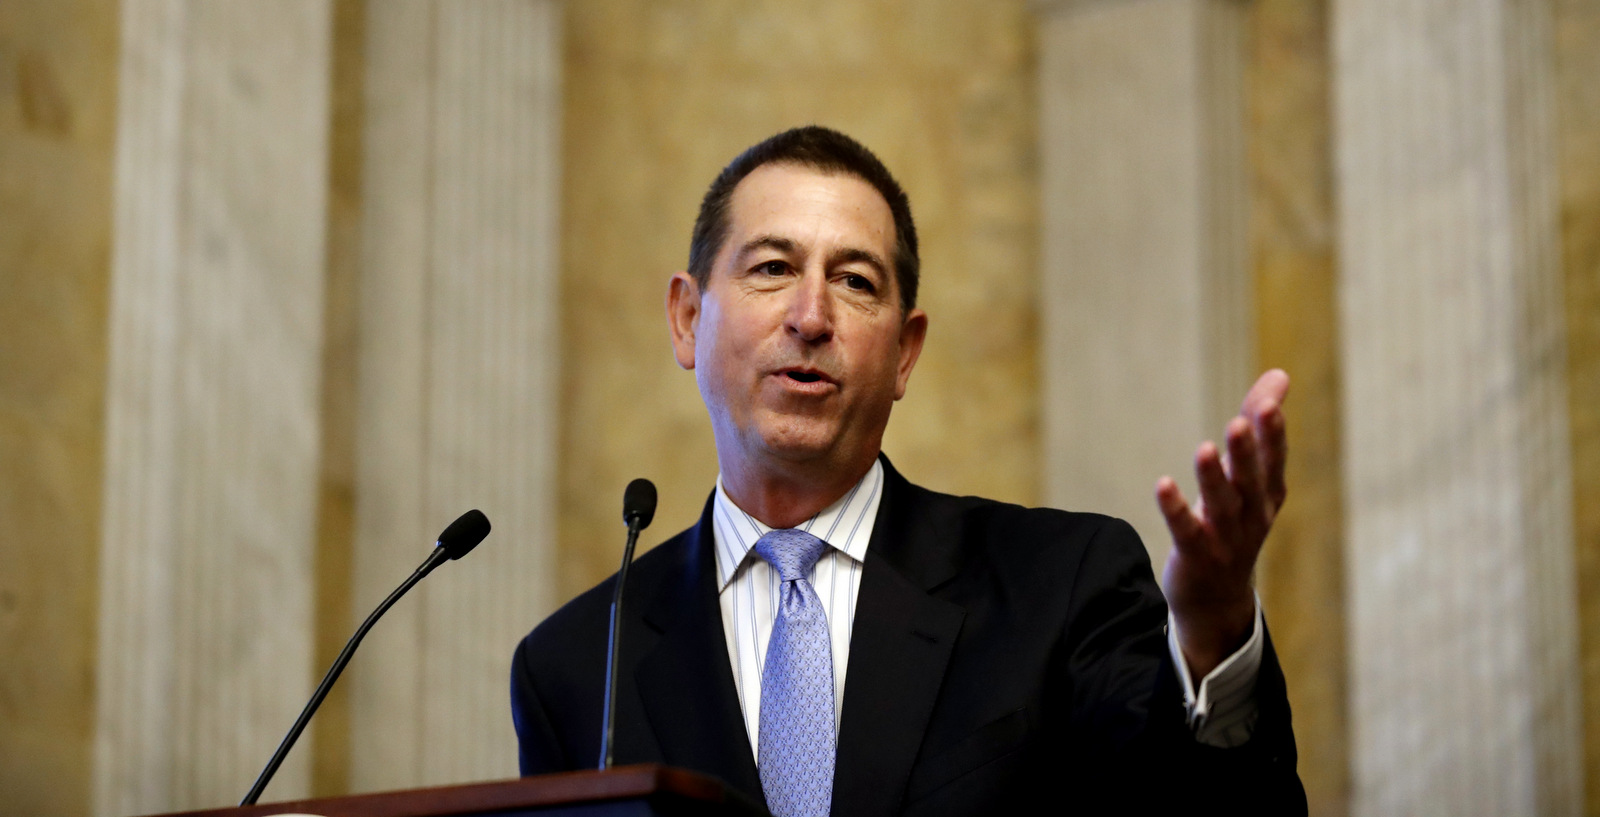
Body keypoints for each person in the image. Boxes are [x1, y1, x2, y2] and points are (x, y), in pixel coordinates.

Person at [511, 126, 1306, 815]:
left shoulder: (1059, 587)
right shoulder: (578, 667)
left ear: (905, 351)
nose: (811, 317)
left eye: (855, 282)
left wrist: (1211, 635)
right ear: (688, 319)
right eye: (772, 268)